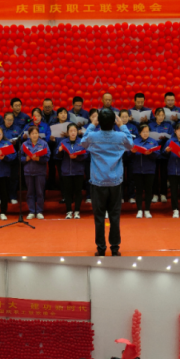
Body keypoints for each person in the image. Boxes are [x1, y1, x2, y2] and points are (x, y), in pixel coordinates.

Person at [79, 109, 134, 257]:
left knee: (99, 218)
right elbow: (130, 145)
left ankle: (101, 248)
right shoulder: (120, 136)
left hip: (98, 182)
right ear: (114, 122)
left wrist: (92, 125)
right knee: (115, 216)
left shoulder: (93, 136)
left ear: (99, 122)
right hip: (115, 182)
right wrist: (122, 126)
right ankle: (115, 248)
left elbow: (82, 142)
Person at [58, 123, 88, 219]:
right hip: (66, 171)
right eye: (71, 131)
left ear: (77, 132)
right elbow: (57, 156)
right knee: (67, 192)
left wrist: (76, 157)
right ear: (67, 132)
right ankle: (69, 211)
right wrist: (59, 151)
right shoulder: (63, 142)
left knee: (78, 191)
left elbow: (86, 155)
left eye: (74, 130)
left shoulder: (82, 142)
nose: (73, 133)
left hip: (78, 170)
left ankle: (77, 211)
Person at [20, 126, 50, 220]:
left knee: (40, 192)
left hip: (40, 172)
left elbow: (47, 157)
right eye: (32, 133)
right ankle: (32, 211)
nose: (34, 135)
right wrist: (26, 158)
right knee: (30, 192)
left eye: (36, 133)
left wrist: (39, 159)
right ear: (29, 135)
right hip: (28, 171)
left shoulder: (44, 143)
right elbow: (19, 157)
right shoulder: (24, 144)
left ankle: (40, 211)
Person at [131, 123, 159, 218]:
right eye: (143, 132)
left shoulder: (153, 142)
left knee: (148, 190)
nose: (145, 133)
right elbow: (129, 155)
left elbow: (157, 154)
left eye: (147, 132)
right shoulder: (135, 141)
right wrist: (132, 152)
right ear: (139, 132)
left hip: (149, 170)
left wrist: (150, 153)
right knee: (138, 190)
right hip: (137, 169)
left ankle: (147, 210)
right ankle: (139, 210)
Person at [149, 107, 174, 203]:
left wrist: (166, 138)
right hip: (153, 153)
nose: (160, 117)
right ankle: (155, 194)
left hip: (164, 153)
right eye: (159, 115)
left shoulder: (168, 125)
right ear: (155, 115)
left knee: (164, 175)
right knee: (154, 175)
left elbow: (172, 137)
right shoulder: (150, 125)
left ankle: (163, 194)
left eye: (162, 115)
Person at [2, 112, 23, 205]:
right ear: (4, 119)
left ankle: (13, 196)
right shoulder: (0, 129)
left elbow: (21, 141)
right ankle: (2, 197)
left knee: (13, 178)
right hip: (2, 157)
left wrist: (17, 142)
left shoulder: (17, 129)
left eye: (11, 120)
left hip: (14, 156)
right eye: (8, 120)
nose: (9, 121)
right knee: (3, 179)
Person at [119, 110, 139, 204]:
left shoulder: (133, 127)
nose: (124, 119)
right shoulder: (115, 127)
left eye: (126, 117)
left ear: (129, 117)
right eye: (122, 117)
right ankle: (121, 196)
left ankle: (131, 196)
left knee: (131, 177)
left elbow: (137, 138)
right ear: (119, 118)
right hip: (120, 155)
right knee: (121, 177)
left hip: (131, 154)